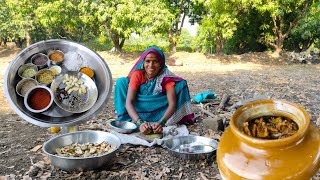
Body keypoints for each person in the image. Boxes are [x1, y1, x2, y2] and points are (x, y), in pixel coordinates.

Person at [114, 46, 194, 135]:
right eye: (147, 61)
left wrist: (161, 123)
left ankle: (155, 121)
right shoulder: (138, 75)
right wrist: (140, 123)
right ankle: (130, 119)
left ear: (160, 64)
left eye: (155, 61)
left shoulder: (166, 77)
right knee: (121, 82)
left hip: (159, 112)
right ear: (143, 63)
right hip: (138, 109)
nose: (151, 65)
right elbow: (129, 102)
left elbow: (172, 105)